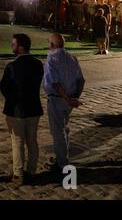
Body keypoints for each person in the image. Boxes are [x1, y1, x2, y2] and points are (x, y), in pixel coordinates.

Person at [0, 34, 44, 185]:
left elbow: (4, 88)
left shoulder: (12, 66)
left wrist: (12, 98)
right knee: (32, 140)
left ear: (20, 47)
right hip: (34, 108)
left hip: (16, 110)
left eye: (13, 44)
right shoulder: (38, 64)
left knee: (17, 141)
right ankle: (32, 170)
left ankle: (18, 174)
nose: (11, 46)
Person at [44, 34, 85, 172]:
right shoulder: (71, 57)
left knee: (58, 131)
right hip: (70, 99)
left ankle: (62, 162)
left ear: (53, 45)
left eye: (49, 43)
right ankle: (63, 157)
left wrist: (68, 99)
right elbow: (81, 80)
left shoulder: (52, 59)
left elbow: (55, 84)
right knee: (65, 128)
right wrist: (74, 99)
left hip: (58, 98)